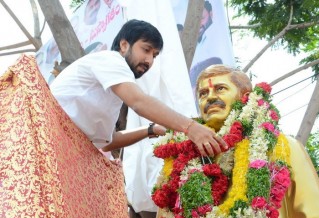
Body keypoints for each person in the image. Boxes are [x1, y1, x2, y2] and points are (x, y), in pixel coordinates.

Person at [153, 65, 319, 218]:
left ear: (244, 96)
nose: (210, 97)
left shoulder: (283, 148)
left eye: (220, 89)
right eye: (203, 93)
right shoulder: (179, 164)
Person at [50, 19, 226, 157]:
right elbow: (139, 102)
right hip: (50, 139)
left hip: (65, 147)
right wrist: (191, 128)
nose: (149, 61)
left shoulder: (113, 85)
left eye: (154, 55)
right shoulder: (111, 60)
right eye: (146, 49)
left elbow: (107, 141)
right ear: (124, 45)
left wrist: (150, 130)